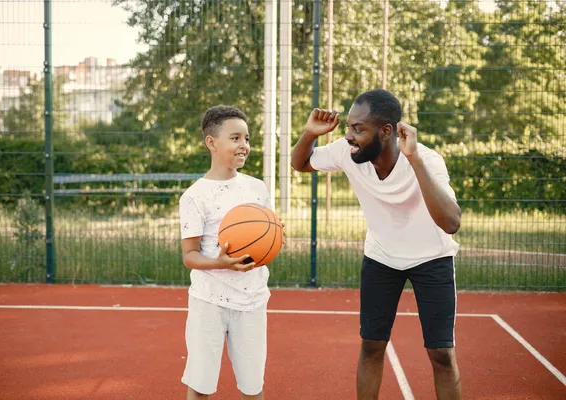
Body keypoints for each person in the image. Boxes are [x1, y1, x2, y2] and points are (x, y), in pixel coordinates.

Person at [291, 89, 462, 400]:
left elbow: (451, 223)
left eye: (359, 128)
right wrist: (309, 133)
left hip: (432, 259)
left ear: (386, 132)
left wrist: (415, 160)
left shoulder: (428, 160)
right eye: (349, 127)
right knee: (371, 347)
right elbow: (301, 164)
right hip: (381, 258)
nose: (350, 135)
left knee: (441, 355)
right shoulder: (348, 152)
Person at [179, 105, 272, 400]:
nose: (244, 145)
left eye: (246, 138)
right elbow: (189, 255)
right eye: (235, 138)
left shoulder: (258, 189)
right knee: (201, 386)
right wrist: (219, 263)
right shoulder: (195, 196)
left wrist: (276, 236)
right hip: (209, 302)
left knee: (253, 387)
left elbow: (267, 239)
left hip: (252, 300)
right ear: (211, 142)